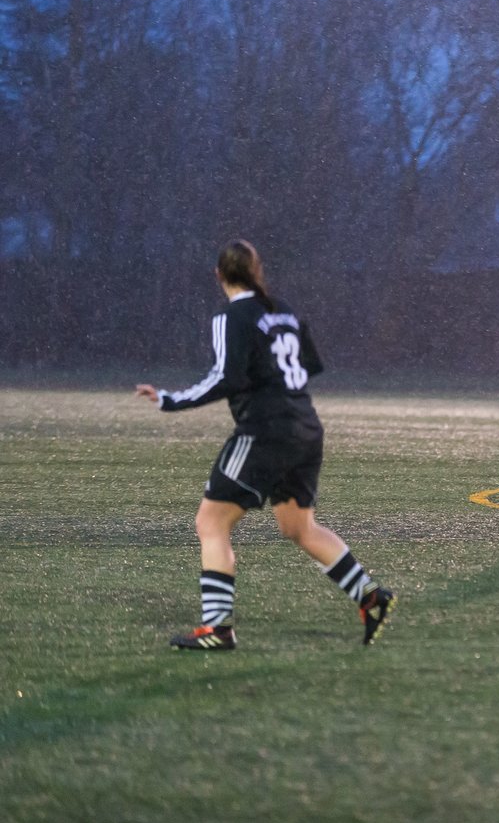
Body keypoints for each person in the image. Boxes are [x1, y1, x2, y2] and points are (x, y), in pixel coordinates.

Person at [135, 239, 395, 650]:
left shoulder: (231, 316)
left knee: (211, 523)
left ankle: (218, 631)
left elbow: (227, 377)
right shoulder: (283, 310)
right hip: (306, 428)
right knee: (298, 527)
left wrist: (170, 399)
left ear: (219, 275)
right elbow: (309, 365)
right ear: (258, 271)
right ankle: (370, 595)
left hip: (265, 433)